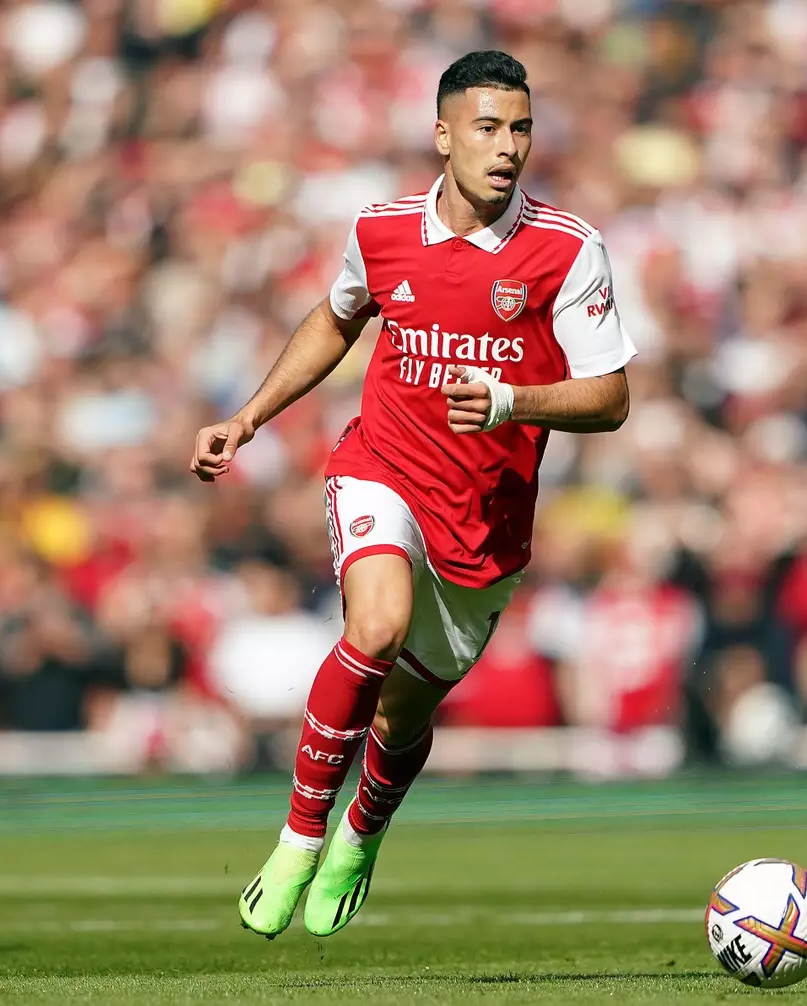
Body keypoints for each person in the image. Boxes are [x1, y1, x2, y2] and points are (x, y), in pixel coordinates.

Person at [189, 50, 634, 939]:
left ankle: (362, 830)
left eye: (521, 129)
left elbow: (612, 396)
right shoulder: (381, 230)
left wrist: (514, 399)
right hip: (381, 466)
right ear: (442, 136)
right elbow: (338, 316)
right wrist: (248, 418)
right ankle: (298, 837)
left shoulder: (567, 249)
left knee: (402, 713)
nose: (507, 148)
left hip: (486, 523)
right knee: (375, 627)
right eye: (487, 127)